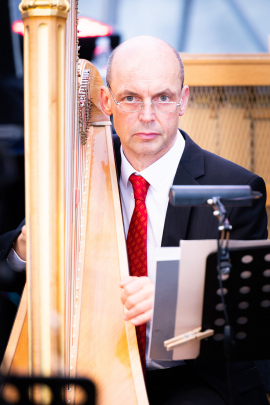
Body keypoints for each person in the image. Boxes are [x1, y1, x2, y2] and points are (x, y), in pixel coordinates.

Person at [1, 36, 268, 404]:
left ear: (183, 101)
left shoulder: (235, 189)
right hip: (94, 366)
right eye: (130, 98)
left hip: (193, 376)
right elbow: (7, 270)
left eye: (162, 97)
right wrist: (24, 248)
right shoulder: (77, 170)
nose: (147, 115)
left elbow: (247, 319)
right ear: (107, 102)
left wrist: (171, 306)